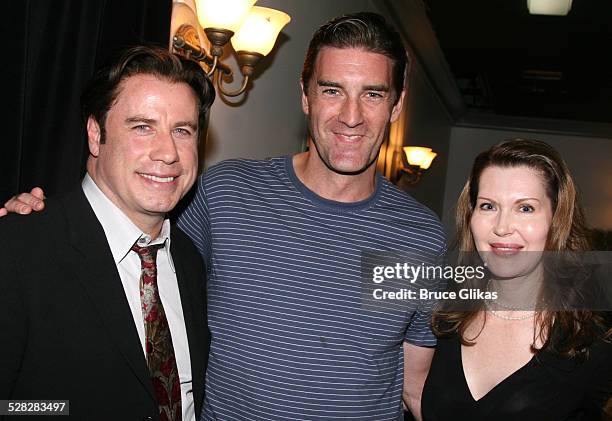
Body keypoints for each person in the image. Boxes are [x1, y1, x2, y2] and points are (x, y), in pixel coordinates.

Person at [2, 13, 446, 420]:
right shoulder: (224, 195)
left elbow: (416, 383)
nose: (351, 116)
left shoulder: (424, 236)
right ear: (306, 96)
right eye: (332, 90)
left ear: (397, 104)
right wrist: (36, 219)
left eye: (372, 94)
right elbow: (114, 227)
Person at [0, 45, 215, 420]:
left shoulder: (190, 260)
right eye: (143, 127)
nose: (168, 152)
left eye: (182, 130)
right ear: (95, 134)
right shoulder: (18, 249)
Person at [421, 139, 611, 420]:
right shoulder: (439, 311)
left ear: (556, 218)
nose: (502, 227)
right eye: (488, 206)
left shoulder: (591, 339)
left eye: (525, 208)